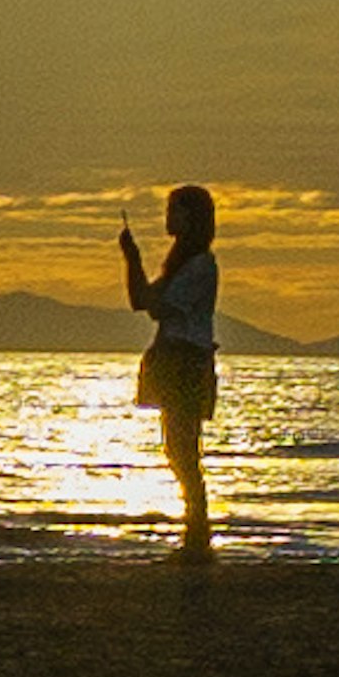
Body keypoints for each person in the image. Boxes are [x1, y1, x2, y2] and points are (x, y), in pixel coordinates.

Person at [120, 185, 221, 554]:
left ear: (191, 218)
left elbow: (156, 307)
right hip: (174, 358)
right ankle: (195, 532)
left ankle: (198, 535)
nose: (168, 217)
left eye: (175, 211)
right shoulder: (181, 263)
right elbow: (141, 301)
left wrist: (135, 263)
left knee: (183, 448)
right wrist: (132, 258)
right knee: (177, 448)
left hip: (185, 360)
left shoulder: (200, 265)